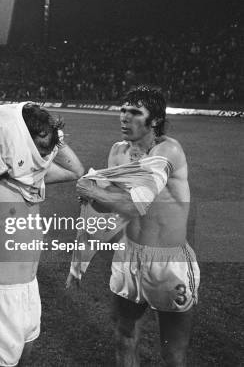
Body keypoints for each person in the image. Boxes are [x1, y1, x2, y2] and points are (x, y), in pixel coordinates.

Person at [0, 94, 85, 367]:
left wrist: (54, 137)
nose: (45, 159)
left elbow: (76, 171)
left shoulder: (29, 178)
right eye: (40, 151)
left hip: (28, 291)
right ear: (17, 144)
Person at [72, 85, 200, 366]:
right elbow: (114, 204)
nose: (124, 118)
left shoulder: (168, 151)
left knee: (172, 354)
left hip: (169, 263)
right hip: (128, 257)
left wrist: (94, 191)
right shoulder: (118, 152)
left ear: (154, 120)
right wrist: (92, 198)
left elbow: (136, 204)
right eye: (122, 110)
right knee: (124, 335)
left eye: (134, 112)